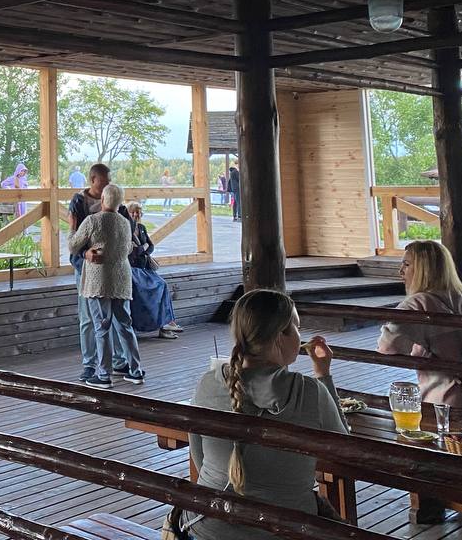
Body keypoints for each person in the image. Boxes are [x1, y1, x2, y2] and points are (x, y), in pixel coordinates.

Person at [184, 289, 346, 540]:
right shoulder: (309, 391)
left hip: (204, 528)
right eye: (297, 327)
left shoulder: (208, 383)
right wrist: (323, 375)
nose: (300, 334)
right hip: (284, 531)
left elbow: (199, 456)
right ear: (281, 335)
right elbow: (344, 449)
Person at [379, 240, 462, 412]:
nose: (401, 271)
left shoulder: (417, 304)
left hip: (448, 401)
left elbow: (387, 348)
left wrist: (390, 323)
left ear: (424, 269)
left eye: (407, 264)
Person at [68, 183, 143, 388]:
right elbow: (128, 248)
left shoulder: (93, 221)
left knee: (102, 327)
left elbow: (73, 245)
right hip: (122, 279)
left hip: (99, 280)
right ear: (120, 203)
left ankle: (103, 375)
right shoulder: (125, 223)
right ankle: (135, 370)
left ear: (102, 200)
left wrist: (72, 227)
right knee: (125, 325)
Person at [125, 200, 182, 339]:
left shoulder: (141, 227)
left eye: (138, 212)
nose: (136, 214)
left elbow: (150, 246)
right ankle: (163, 324)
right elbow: (131, 253)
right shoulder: (126, 230)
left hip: (144, 268)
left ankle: (167, 323)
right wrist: (142, 248)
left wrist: (142, 248)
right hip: (133, 270)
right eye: (133, 212)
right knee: (151, 290)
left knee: (162, 284)